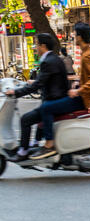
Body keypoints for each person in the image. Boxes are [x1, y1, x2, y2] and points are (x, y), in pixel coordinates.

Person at [28, 22, 90, 160]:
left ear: (80, 37)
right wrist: (77, 83)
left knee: (46, 108)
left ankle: (49, 144)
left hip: (85, 99)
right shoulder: (86, 53)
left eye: (75, 34)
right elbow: (87, 77)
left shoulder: (87, 55)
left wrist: (78, 91)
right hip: (82, 95)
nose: (73, 37)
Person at [6, 33, 69, 162]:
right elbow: (46, 80)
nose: (35, 48)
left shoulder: (48, 61)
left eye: (37, 45)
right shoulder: (55, 59)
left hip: (53, 101)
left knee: (25, 119)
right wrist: (32, 83)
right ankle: (34, 144)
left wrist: (15, 92)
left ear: (43, 46)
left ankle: (23, 151)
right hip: (56, 98)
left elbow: (38, 85)